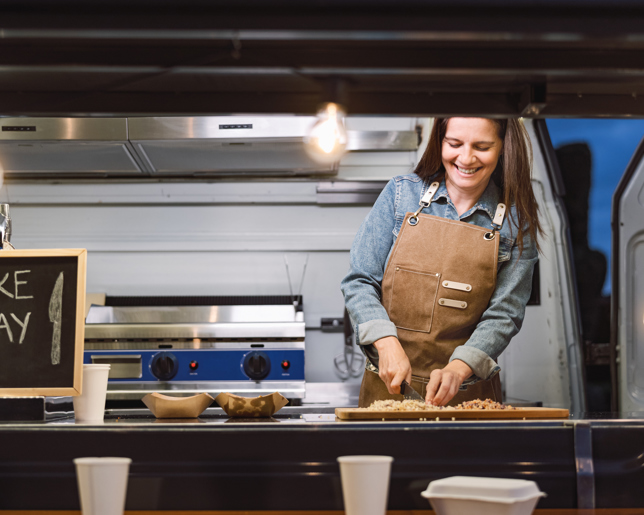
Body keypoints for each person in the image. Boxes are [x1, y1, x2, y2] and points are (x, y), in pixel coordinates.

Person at [341, 117, 542, 407]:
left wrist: (458, 368)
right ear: (439, 142)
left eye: (482, 146)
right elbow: (360, 280)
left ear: (502, 148)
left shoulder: (516, 222)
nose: (466, 158)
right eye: (455, 144)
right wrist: (386, 344)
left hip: (467, 395)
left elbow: (505, 313)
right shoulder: (401, 195)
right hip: (388, 390)